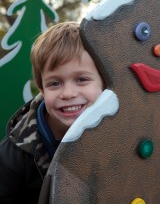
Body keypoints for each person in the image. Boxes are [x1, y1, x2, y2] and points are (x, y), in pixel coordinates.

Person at [0, 22, 105, 203]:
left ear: (104, 81)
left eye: (81, 79)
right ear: (41, 89)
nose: (68, 93)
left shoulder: (119, 130)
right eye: (54, 83)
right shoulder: (17, 151)